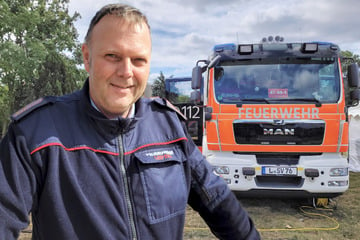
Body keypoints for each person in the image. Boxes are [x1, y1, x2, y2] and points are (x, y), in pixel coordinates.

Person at [0, 3, 260, 240]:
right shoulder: (35, 134)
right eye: (112, 56)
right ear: (87, 57)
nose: (126, 72)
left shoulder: (169, 127)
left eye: (138, 60)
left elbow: (220, 203)